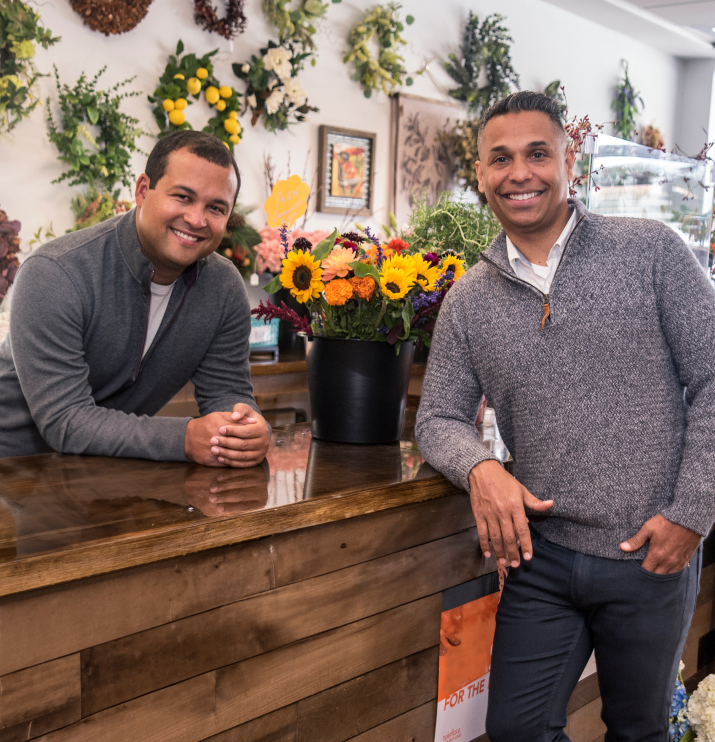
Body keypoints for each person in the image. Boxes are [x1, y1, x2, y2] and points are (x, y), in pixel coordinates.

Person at [415, 91, 715, 740]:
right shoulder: (468, 300)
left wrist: (693, 510)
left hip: (649, 555)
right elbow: (437, 416)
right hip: (539, 560)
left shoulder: (651, 253)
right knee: (516, 732)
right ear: (480, 174)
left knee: (637, 732)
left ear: (566, 162)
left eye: (535, 154)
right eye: (499, 159)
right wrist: (481, 471)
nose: (517, 172)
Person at [0, 130, 270, 468]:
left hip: (113, 473)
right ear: (143, 190)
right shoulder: (54, 274)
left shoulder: (223, 286)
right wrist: (184, 438)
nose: (197, 220)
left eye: (215, 208)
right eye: (183, 197)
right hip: (15, 476)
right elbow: (64, 420)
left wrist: (247, 427)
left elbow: (227, 391)